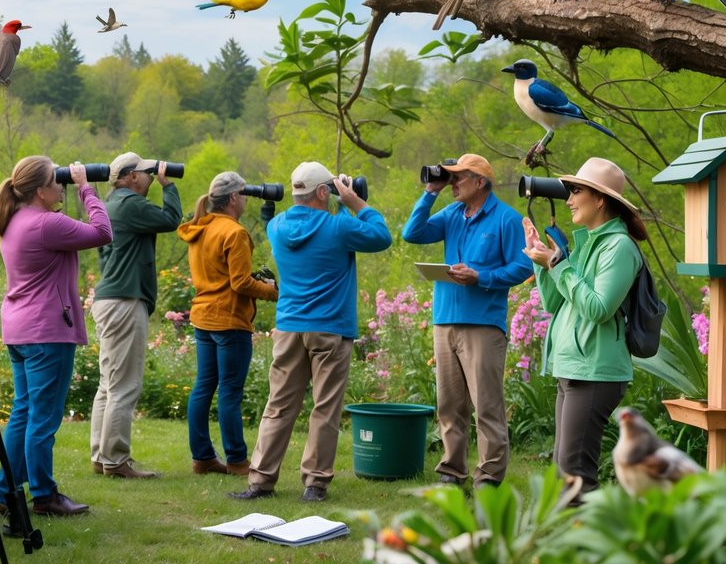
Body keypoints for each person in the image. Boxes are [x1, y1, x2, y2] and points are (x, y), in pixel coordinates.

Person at [231, 162, 391, 502]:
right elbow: (381, 236)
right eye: (329, 188)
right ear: (322, 192)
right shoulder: (339, 227)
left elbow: (292, 223)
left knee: (279, 405)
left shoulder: (276, 226)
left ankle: (259, 481)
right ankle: (314, 484)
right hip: (330, 329)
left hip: (289, 327)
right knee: (325, 408)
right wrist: (353, 201)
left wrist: (337, 199)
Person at [400, 153, 533, 488]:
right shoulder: (452, 213)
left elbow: (524, 267)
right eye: (451, 177)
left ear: (480, 181)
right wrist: (431, 192)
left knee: (486, 405)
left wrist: (482, 277)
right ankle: (452, 470)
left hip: (483, 325)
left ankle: (488, 476)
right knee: (449, 404)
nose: (453, 183)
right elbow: (412, 234)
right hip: (445, 321)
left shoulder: (506, 219)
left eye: (459, 178)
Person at [0, 157, 112, 525]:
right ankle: (44, 495)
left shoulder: (12, 221)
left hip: (19, 329)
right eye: (56, 181)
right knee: (42, 420)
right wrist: (85, 187)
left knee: (23, 413)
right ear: (42, 191)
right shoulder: (46, 223)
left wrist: (73, 184)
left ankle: (7, 491)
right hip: (47, 332)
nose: (61, 186)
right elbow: (103, 233)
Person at [523, 157, 645, 501]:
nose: (569, 199)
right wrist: (544, 262)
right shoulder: (589, 243)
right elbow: (556, 304)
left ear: (600, 199)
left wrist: (558, 264)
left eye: (576, 191)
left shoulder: (618, 247)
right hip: (574, 368)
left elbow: (598, 308)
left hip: (596, 371)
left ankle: (589, 546)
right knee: (567, 472)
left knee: (576, 476)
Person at [177, 172, 279, 476]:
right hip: (229, 320)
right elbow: (241, 283)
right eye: (244, 194)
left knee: (203, 387)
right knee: (230, 392)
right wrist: (273, 292)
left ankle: (202, 457)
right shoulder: (233, 232)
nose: (246, 199)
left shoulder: (198, 228)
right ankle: (237, 460)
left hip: (203, 317)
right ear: (233, 198)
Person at [90, 152, 182, 478]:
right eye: (146, 172)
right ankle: (116, 460)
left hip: (108, 299)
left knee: (108, 384)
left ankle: (102, 456)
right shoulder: (129, 204)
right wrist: (168, 185)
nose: (150, 177)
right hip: (125, 300)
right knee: (125, 385)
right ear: (129, 177)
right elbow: (172, 219)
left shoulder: (109, 204)